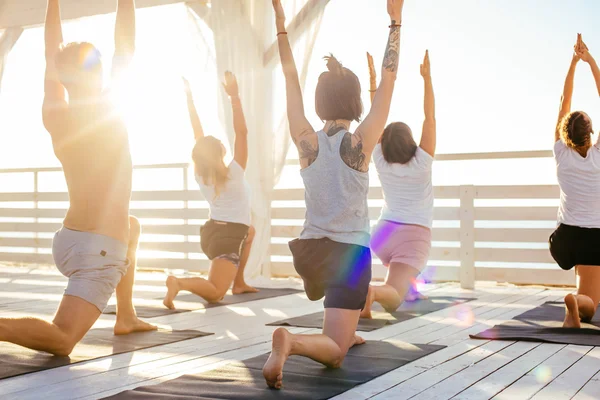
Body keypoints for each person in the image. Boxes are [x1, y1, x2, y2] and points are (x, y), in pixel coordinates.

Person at [0, 0, 156, 357]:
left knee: (132, 226)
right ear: (98, 73)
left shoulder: (54, 112)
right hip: (97, 253)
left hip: (68, 241)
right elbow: (126, 44)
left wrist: (52, 3)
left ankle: (126, 315)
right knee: (63, 340)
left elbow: (49, 51)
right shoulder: (110, 108)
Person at [263, 0, 404, 390]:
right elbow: (389, 82)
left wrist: (281, 27)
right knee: (336, 353)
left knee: (345, 316)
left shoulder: (306, 141)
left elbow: (290, 79)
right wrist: (395, 23)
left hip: (309, 253)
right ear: (356, 102)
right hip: (347, 255)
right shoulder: (358, 143)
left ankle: (347, 326)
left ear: (320, 101)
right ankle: (291, 340)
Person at [163, 71, 258, 309]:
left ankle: (239, 282)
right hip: (228, 237)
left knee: (252, 232)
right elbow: (242, 133)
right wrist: (234, 97)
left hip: (213, 232)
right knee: (215, 293)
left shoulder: (200, 175)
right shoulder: (234, 173)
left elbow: (198, 134)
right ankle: (179, 283)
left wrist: (190, 100)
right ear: (221, 153)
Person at [360, 50, 436, 319]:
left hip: (382, 234)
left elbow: (376, 117)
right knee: (393, 299)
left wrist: (373, 82)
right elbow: (430, 117)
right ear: (410, 140)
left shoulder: (379, 157)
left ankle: (408, 287)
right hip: (413, 236)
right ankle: (375, 292)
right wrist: (426, 79)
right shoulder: (422, 161)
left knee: (403, 272)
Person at [549, 33, 600, 329]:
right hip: (594, 237)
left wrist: (572, 62)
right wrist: (589, 59)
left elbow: (562, 102)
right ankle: (576, 300)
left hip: (566, 239)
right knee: (591, 304)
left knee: (586, 279)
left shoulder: (560, 154)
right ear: (591, 133)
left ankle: (576, 299)